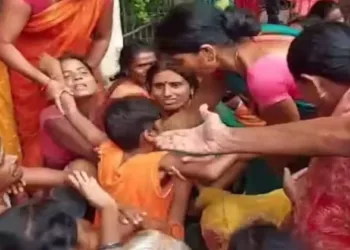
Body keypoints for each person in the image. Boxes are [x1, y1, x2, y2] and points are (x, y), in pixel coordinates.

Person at [156, 22, 350, 250]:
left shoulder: (263, 76)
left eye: (180, 64)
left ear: (313, 84)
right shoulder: (238, 60)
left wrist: (230, 142)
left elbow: (321, 138)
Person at [0, 0, 112, 167]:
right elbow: (3, 42)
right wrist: (47, 81)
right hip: (30, 79)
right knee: (34, 143)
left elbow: (102, 38)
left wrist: (81, 70)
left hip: (78, 75)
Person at [40, 54, 102, 170]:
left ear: (96, 81)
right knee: (81, 166)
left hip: (108, 173)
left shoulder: (104, 106)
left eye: (83, 73)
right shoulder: (53, 117)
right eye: (67, 76)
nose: (78, 78)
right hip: (68, 183)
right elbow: (99, 155)